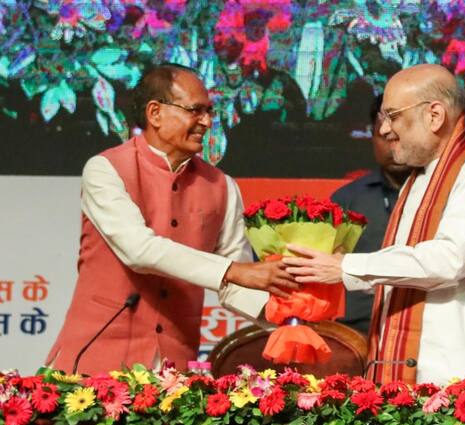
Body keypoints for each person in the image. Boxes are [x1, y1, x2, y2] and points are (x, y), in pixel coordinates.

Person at [284, 64, 465, 391]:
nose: (384, 129)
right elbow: (408, 274)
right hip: (426, 382)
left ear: (434, 115)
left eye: (393, 116)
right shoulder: (420, 179)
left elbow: (452, 258)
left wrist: (346, 267)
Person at [46, 64, 298, 375]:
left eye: (209, 111)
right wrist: (235, 271)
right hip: (94, 359)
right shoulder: (105, 169)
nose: (206, 122)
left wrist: (289, 314)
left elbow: (237, 283)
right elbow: (139, 250)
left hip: (173, 369)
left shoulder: (222, 186)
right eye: (195, 110)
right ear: (155, 113)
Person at [332, 94, 411, 334]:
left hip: (424, 330)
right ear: (372, 136)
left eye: (401, 135)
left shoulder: (443, 196)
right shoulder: (346, 200)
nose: (393, 144)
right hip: (358, 333)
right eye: (385, 136)